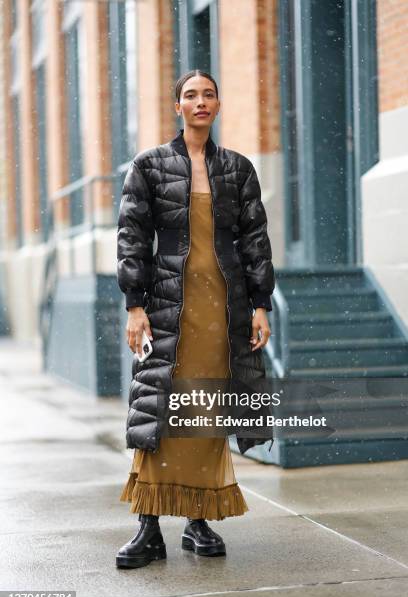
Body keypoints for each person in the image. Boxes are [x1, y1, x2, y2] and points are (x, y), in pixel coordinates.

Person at [115, 69, 275, 569]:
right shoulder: (149, 166)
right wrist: (135, 304)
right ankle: (148, 527)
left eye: (208, 94)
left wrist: (260, 305)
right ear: (177, 106)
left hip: (221, 308)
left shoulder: (238, 169)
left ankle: (198, 520)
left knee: (204, 413)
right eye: (190, 95)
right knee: (159, 408)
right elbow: (132, 236)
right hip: (168, 306)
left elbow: (254, 241)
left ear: (219, 106)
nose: (199, 102)